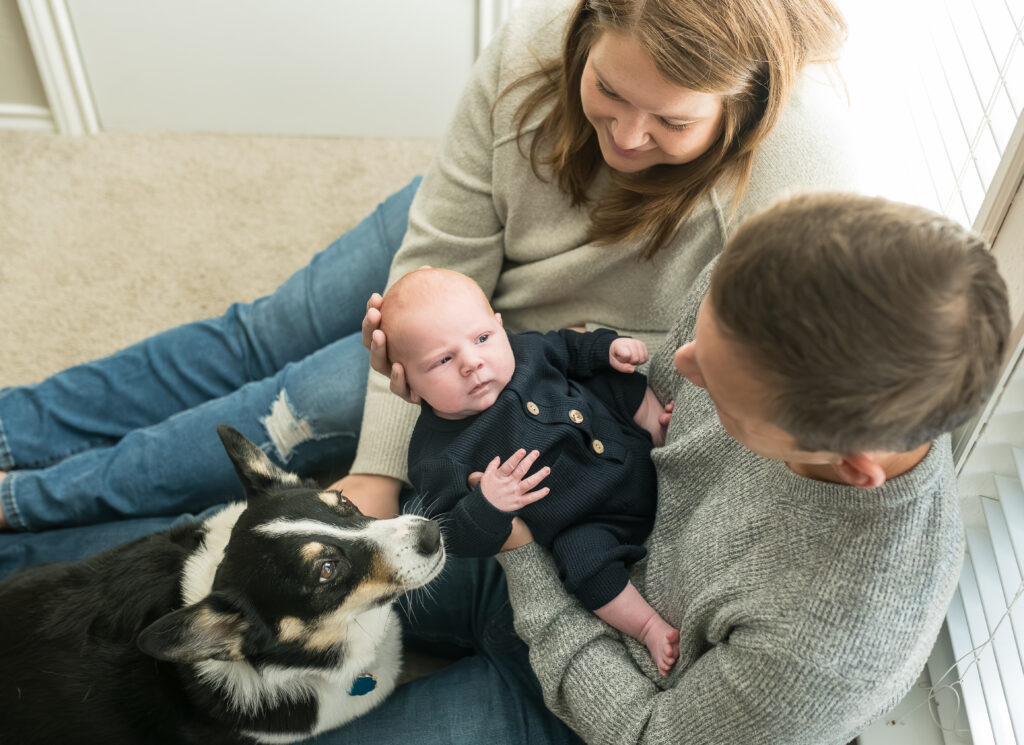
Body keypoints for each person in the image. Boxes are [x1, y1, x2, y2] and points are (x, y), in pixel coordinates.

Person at [0, 0, 859, 740]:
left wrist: (511, 373)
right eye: (607, 94)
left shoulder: (801, 177)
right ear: (587, 32)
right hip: (456, 303)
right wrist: (387, 442)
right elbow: (444, 252)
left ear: (744, 105)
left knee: (285, 458)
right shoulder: (536, 43)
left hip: (528, 370)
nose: (629, 137)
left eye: (671, 122)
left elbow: (706, 385)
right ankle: (14, 457)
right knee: (262, 341)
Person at [367, 191, 1010, 744]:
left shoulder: (824, 648)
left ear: (848, 463)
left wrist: (522, 554)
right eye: (705, 332)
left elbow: (646, 732)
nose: (682, 363)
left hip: (595, 678)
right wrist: (446, 386)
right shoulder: (769, 279)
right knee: (289, 581)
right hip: (532, 511)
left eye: (725, 390)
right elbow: (641, 368)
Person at [381, 267, 678, 674]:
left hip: (625, 438)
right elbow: (451, 533)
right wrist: (487, 504)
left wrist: (608, 348)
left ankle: (657, 429)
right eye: (442, 360)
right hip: (589, 521)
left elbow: (567, 347)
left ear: (500, 328)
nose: (472, 362)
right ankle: (647, 626)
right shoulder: (437, 456)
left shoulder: (525, 352)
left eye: (482, 338)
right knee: (584, 567)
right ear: (407, 384)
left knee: (615, 380)